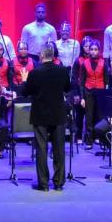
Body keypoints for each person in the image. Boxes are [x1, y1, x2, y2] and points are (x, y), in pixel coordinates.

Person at [20, 44, 71, 192]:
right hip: (58, 114)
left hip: (40, 115)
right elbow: (67, 88)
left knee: (41, 149)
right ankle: (59, 183)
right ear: (53, 56)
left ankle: (43, 184)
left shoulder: (35, 73)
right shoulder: (62, 71)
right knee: (59, 149)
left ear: (42, 56)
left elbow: (25, 92)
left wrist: (24, 80)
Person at [78, 39, 106, 149]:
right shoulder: (84, 63)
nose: (93, 51)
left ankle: (98, 138)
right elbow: (82, 82)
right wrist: (82, 98)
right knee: (88, 118)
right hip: (88, 92)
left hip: (100, 92)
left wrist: (105, 96)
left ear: (99, 51)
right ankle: (89, 140)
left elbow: (106, 81)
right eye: (91, 49)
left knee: (99, 117)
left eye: (95, 50)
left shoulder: (103, 63)